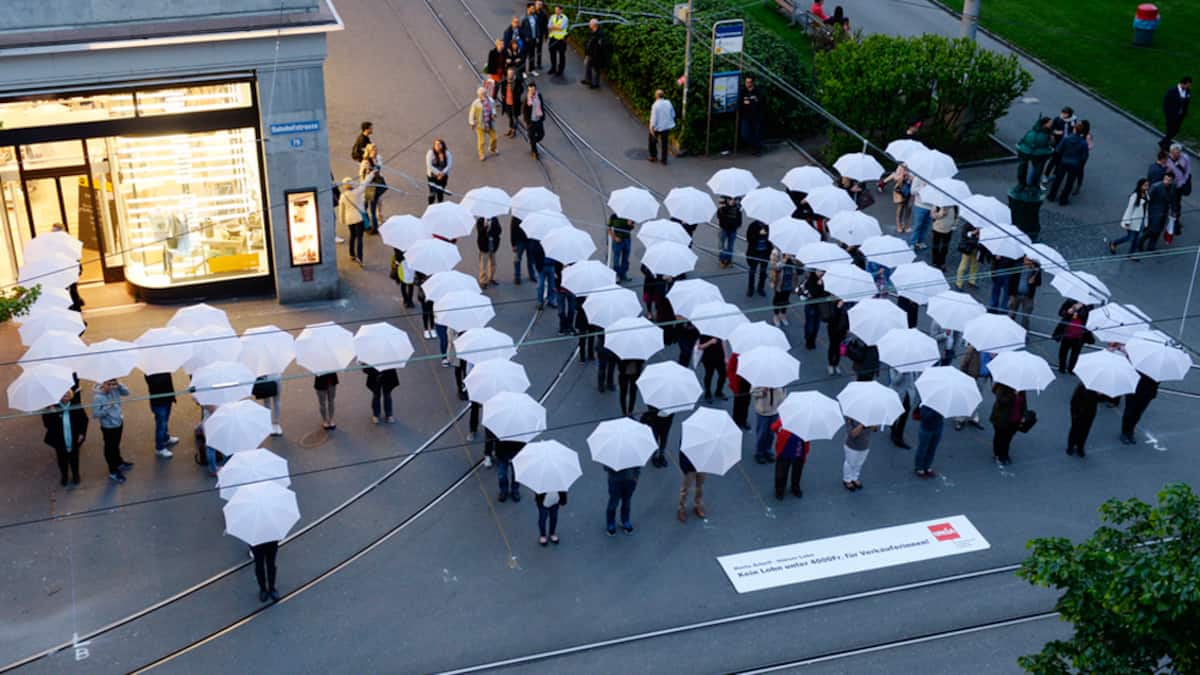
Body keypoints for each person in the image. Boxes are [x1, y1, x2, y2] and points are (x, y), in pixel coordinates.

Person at [42, 390, 88, 487]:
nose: (65, 395)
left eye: (67, 393)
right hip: (60, 440)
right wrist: (51, 413)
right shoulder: (53, 407)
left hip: (74, 438)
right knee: (62, 460)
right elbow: (47, 425)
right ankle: (64, 476)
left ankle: (76, 475)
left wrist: (82, 433)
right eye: (63, 394)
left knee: (74, 458)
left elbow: (84, 419)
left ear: (71, 395)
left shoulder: (75, 405)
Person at [91, 378, 133, 484]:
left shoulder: (115, 389)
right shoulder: (97, 397)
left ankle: (119, 462)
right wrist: (107, 408)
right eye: (108, 384)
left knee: (116, 445)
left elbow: (127, 393)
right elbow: (95, 414)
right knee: (110, 448)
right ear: (102, 384)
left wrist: (119, 385)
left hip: (118, 422)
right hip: (108, 426)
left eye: (112, 384)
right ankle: (113, 471)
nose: (110, 387)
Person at [1047, 121, 1089, 206]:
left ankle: (1052, 196)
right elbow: (1084, 156)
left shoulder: (1066, 139)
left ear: (1074, 130)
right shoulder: (1083, 143)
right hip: (1075, 164)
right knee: (1069, 182)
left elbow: (1058, 149)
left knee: (1058, 179)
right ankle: (1063, 199)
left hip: (1063, 161)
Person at [1109, 178, 1148, 256]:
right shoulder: (1135, 196)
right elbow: (1129, 209)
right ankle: (1114, 243)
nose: (1147, 187)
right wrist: (1127, 222)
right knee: (1130, 237)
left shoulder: (1146, 193)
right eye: (1145, 185)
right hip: (1133, 221)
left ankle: (1131, 253)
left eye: (1147, 185)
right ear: (1140, 186)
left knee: (1137, 237)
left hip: (1141, 220)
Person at [771, 418, 807, 499]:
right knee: (781, 472)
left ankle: (795, 488)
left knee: (797, 472)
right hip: (786, 451)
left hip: (799, 451)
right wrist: (780, 430)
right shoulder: (785, 419)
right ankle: (780, 490)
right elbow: (773, 427)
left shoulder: (806, 422)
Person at [145, 371, 179, 458]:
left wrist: (172, 396)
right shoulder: (149, 372)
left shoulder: (164, 369)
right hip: (158, 403)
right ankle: (159, 448)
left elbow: (169, 382)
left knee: (165, 422)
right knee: (161, 425)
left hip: (167, 399)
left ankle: (165, 438)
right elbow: (156, 384)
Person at [989, 383, 1025, 465]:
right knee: (999, 436)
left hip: (1015, 418)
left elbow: (1024, 402)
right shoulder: (1002, 385)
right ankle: (998, 453)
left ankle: (1005, 454)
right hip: (1001, 418)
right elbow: (1001, 400)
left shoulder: (1021, 387)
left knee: (1008, 438)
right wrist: (1013, 395)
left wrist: (1023, 415)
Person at [1015, 116, 1054, 190]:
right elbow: (1050, 145)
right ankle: (1032, 186)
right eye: (1050, 123)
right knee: (1037, 170)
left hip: (1026, 152)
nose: (1052, 124)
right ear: (1044, 124)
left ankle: (1022, 184)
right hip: (1038, 155)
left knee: (1023, 167)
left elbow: (1022, 141)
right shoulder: (1046, 134)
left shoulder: (1031, 132)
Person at [954, 345, 986, 431]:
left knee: (977, 398)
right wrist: (963, 377)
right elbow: (964, 363)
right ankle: (960, 419)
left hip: (983, 377)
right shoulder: (973, 348)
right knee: (966, 398)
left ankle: (973, 417)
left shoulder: (993, 350)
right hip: (972, 376)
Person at [1140, 171, 1175, 251]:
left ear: (1172, 180)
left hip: (1165, 212)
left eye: (1169, 180)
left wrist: (1173, 211)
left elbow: (1173, 200)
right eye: (1165, 179)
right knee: (1152, 229)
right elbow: (1148, 198)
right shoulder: (1156, 186)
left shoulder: (1173, 187)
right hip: (1154, 212)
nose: (1167, 181)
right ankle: (1140, 242)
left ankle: (1151, 246)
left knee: (1159, 230)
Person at [1053, 299, 1090, 373]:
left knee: (1075, 353)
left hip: (1079, 335)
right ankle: (1062, 367)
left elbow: (1086, 317)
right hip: (1067, 332)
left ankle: (1071, 369)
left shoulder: (1088, 305)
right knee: (1063, 351)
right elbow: (1060, 313)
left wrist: (1079, 308)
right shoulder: (1070, 301)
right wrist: (1068, 311)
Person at [1120, 373, 1158, 444]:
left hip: (1147, 392)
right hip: (1134, 390)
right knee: (1129, 411)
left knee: (1138, 413)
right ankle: (1125, 432)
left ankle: (1130, 430)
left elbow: (1157, 382)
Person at [336, 176, 366, 266]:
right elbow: (365, 184)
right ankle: (360, 258)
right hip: (359, 218)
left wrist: (342, 220)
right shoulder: (357, 193)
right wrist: (372, 173)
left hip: (349, 219)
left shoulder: (343, 196)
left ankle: (352, 254)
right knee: (360, 238)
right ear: (352, 184)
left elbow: (341, 210)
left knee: (352, 236)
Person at [1006, 256, 1041, 331]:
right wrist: (1011, 295)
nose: (1028, 262)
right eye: (1026, 260)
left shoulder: (1035, 270)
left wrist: (1034, 280)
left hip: (1028, 296)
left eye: (1029, 260)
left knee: (1026, 316)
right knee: (1011, 314)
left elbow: (1039, 283)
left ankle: (1024, 331)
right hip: (1015, 295)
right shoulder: (1017, 267)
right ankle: (1009, 329)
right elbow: (1011, 281)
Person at [1042, 106, 1076, 182]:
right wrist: (1055, 132)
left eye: (1065, 113)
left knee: (1061, 160)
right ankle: (1046, 175)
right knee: (1053, 160)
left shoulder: (1073, 121)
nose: (1063, 115)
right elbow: (1051, 129)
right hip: (1057, 143)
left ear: (1069, 114)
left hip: (1067, 144)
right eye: (1063, 113)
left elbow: (1075, 131)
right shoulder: (1058, 119)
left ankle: (1055, 174)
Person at [752, 386, 785, 464]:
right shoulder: (759, 380)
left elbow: (783, 392)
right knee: (762, 433)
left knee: (771, 434)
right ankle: (759, 453)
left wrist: (781, 404)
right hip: (763, 412)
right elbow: (753, 393)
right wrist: (762, 392)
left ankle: (767, 450)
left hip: (775, 411)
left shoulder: (779, 380)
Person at [1066, 382, 1099, 458]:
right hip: (1079, 412)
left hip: (1090, 412)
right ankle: (1070, 446)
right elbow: (1074, 401)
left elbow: (1099, 400)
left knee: (1085, 430)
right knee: (1075, 429)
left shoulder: (1097, 388)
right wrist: (1074, 413)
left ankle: (1080, 447)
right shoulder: (1082, 387)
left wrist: (1100, 395)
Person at [1160, 75, 1192, 151]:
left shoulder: (1187, 92)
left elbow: (1186, 103)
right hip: (1171, 116)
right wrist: (1168, 114)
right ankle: (1165, 145)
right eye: (1188, 85)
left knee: (1175, 130)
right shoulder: (1172, 91)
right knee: (1170, 130)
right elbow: (1165, 104)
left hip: (1180, 116)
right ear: (1183, 83)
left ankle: (1164, 142)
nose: (1189, 87)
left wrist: (1184, 113)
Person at [605, 465, 639, 535]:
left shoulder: (631, 454)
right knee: (613, 503)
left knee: (627, 502)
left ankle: (625, 521)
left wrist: (636, 477)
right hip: (615, 481)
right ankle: (611, 523)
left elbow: (638, 466)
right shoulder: (612, 454)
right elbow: (606, 468)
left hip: (630, 481)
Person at [879, 163, 913, 233]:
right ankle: (898, 225)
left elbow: (917, 180)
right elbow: (895, 177)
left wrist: (910, 177)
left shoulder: (917, 167)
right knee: (900, 208)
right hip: (901, 190)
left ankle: (906, 226)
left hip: (911, 190)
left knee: (908, 209)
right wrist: (903, 175)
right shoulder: (903, 165)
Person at [358, 144, 385, 234]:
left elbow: (380, 168)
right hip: (368, 187)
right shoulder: (365, 162)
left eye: (376, 150)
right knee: (365, 207)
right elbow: (361, 175)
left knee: (372, 209)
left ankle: (373, 227)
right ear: (369, 151)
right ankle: (367, 225)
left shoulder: (377, 159)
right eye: (374, 151)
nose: (376, 152)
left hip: (375, 187)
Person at [468, 86, 499, 162]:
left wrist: (494, 114)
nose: (484, 95)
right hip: (480, 125)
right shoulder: (476, 103)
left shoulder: (490, 100)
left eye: (485, 93)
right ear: (479, 95)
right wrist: (472, 123)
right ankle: (481, 154)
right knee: (481, 142)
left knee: (494, 138)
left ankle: (492, 148)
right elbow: (471, 113)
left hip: (489, 123)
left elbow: (493, 108)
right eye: (482, 94)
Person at [842, 417, 873, 491]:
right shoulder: (850, 417)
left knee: (859, 463)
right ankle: (847, 480)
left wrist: (872, 424)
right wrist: (862, 425)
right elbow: (852, 434)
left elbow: (874, 429)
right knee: (850, 463)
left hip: (865, 445)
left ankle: (854, 477)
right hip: (852, 446)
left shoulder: (870, 415)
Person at [769, 247, 798, 326]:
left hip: (790, 281)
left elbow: (800, 269)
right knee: (777, 298)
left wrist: (794, 261)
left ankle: (783, 314)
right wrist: (784, 259)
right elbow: (774, 267)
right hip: (779, 281)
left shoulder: (796, 252)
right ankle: (776, 315)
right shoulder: (776, 252)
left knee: (786, 298)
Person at [1166, 143, 1192, 232]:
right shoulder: (1167, 160)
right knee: (1169, 202)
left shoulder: (1185, 158)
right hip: (1170, 186)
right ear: (1171, 152)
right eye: (1175, 153)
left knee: (1177, 204)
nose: (1178, 154)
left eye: (1179, 152)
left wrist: (1183, 181)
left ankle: (1175, 222)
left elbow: (1188, 170)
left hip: (1180, 186)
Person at [677, 448, 706, 522]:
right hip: (690, 467)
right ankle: (681, 508)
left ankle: (698, 505)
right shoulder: (688, 437)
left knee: (700, 487)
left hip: (702, 465)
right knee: (685, 489)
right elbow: (682, 451)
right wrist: (685, 468)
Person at [648, 89, 676, 164]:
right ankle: (664, 159)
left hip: (657, 127)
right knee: (664, 143)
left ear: (656, 96)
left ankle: (653, 156)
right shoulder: (668, 102)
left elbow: (653, 118)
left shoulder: (655, 105)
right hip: (666, 126)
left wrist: (651, 128)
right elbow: (673, 114)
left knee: (652, 141)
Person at [698, 334, 727, 402]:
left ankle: (718, 392)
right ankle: (708, 393)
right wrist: (710, 342)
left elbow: (723, 342)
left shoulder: (719, 331)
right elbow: (699, 347)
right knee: (709, 375)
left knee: (723, 375)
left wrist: (726, 356)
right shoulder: (703, 334)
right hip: (708, 358)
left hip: (720, 356)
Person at [739, 76, 764, 155]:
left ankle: (757, 149)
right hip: (746, 116)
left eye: (749, 82)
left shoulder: (757, 91)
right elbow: (740, 102)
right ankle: (753, 145)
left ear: (752, 83)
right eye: (746, 82)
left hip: (756, 116)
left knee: (756, 133)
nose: (747, 84)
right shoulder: (743, 91)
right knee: (744, 134)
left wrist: (753, 101)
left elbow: (761, 102)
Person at [745, 218, 770, 296]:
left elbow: (770, 239)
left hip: (765, 253)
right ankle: (750, 289)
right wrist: (759, 234)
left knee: (763, 272)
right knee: (752, 271)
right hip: (754, 253)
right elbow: (749, 238)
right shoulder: (753, 226)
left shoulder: (768, 226)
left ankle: (761, 288)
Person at [908, 177, 934, 251]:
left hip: (932, 206)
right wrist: (923, 188)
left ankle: (920, 242)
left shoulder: (936, 179)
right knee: (917, 226)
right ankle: (912, 243)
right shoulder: (918, 177)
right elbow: (912, 191)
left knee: (925, 226)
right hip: (920, 206)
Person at [510, 211, 537, 284]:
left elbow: (535, 229)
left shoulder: (532, 216)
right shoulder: (516, 217)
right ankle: (517, 277)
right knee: (517, 260)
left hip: (530, 240)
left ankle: (532, 275)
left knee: (531, 260)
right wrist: (513, 244)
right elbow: (512, 230)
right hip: (519, 241)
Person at [475, 216, 502, 288]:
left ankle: (491, 278)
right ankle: (483, 281)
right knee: (483, 265)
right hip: (484, 246)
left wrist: (492, 229)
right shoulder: (480, 220)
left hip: (493, 245)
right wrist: (485, 226)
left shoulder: (495, 219)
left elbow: (499, 230)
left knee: (493, 263)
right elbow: (480, 232)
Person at [727, 351, 751, 430]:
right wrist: (733, 382)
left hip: (748, 382)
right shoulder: (735, 354)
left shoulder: (752, 354)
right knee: (737, 404)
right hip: (738, 383)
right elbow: (730, 369)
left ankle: (743, 420)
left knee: (746, 402)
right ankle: (736, 421)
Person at [955, 220, 981, 289]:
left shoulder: (985, 226)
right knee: (963, 265)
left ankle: (972, 281)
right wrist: (973, 233)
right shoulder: (969, 223)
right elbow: (963, 234)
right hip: (968, 247)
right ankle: (958, 283)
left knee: (975, 266)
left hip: (978, 248)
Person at [929, 204, 957, 270]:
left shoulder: (955, 207)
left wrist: (954, 225)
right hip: (937, 229)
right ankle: (935, 261)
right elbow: (932, 215)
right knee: (936, 246)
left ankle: (942, 263)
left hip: (948, 230)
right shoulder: (937, 205)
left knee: (945, 248)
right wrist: (941, 214)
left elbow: (956, 217)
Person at [716, 197, 742, 268]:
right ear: (727, 200)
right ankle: (722, 260)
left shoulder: (737, 208)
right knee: (722, 245)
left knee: (730, 246)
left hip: (733, 229)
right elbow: (719, 216)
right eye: (731, 200)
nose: (733, 201)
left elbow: (739, 218)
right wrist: (720, 209)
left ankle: (729, 260)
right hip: (723, 229)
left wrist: (738, 225)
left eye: (734, 200)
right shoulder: (723, 207)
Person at [608, 214, 633, 282]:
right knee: (616, 259)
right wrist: (614, 237)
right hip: (617, 241)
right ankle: (616, 275)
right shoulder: (614, 216)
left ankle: (623, 274)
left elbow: (631, 228)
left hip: (627, 240)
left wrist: (630, 224)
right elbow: (609, 229)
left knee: (626, 258)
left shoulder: (629, 216)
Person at [826, 298, 849, 375]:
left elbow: (848, 317)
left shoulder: (846, 305)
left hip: (842, 329)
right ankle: (830, 364)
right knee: (833, 347)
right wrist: (838, 308)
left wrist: (847, 328)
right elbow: (831, 317)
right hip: (833, 330)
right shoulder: (832, 304)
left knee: (839, 348)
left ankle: (836, 364)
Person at [523, 83, 546, 160]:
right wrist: (527, 121)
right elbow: (524, 111)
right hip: (531, 122)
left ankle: (532, 142)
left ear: (535, 89)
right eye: (530, 90)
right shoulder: (527, 99)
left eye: (533, 89)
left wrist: (543, 117)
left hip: (538, 120)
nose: (532, 91)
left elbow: (542, 106)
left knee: (541, 135)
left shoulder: (539, 95)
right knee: (532, 137)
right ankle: (534, 152)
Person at [425, 138, 451, 205]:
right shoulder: (430, 153)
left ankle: (440, 206)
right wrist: (438, 173)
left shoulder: (447, 153)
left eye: (439, 144)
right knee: (432, 193)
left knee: (440, 192)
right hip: (432, 176)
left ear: (443, 145)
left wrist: (442, 173)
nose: (437, 145)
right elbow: (429, 165)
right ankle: (430, 206)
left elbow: (449, 165)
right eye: (436, 144)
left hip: (443, 176)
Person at [581, 19, 605, 88]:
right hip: (590, 53)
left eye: (590, 24)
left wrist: (599, 42)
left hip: (596, 55)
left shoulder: (600, 33)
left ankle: (596, 84)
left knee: (596, 69)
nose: (589, 25)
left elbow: (601, 44)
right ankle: (588, 80)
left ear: (594, 25)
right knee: (588, 66)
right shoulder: (592, 32)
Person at [547, 5, 569, 76]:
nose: (556, 11)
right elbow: (548, 26)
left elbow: (561, 28)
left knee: (561, 55)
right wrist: (554, 27)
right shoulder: (552, 16)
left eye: (557, 10)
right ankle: (553, 68)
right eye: (555, 10)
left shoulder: (565, 18)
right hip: (552, 38)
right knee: (552, 54)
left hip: (561, 40)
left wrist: (552, 26)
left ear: (561, 10)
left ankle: (560, 70)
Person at [525, 3, 545, 76]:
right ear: (528, 9)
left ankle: (531, 69)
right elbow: (522, 30)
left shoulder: (535, 17)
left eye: (534, 8)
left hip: (533, 39)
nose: (534, 10)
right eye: (532, 8)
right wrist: (525, 38)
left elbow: (537, 28)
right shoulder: (524, 18)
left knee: (532, 55)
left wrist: (537, 37)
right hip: (527, 41)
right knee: (525, 56)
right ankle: (523, 71)